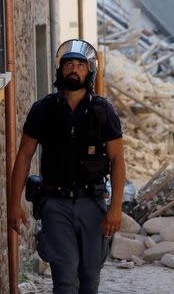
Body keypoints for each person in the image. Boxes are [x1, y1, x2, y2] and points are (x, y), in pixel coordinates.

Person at [8, 39, 126, 293]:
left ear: (89, 71)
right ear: (60, 70)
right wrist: (13, 203)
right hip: (55, 203)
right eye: (68, 64)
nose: (74, 68)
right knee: (65, 280)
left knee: (90, 278)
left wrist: (115, 208)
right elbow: (24, 155)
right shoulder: (43, 109)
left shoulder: (102, 111)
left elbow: (117, 159)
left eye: (80, 65)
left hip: (92, 204)